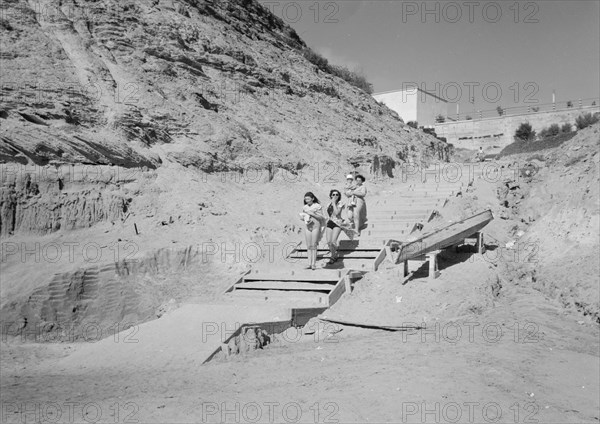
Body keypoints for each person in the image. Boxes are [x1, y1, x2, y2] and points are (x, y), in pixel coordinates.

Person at [324, 189, 356, 264]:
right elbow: (329, 214)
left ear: (339, 196)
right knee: (329, 242)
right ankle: (334, 254)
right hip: (330, 223)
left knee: (333, 241)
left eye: (337, 195)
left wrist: (334, 203)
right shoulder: (328, 204)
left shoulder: (340, 203)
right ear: (331, 196)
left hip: (337, 223)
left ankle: (332, 256)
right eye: (333, 194)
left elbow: (337, 213)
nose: (335, 196)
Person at [299, 192, 325, 270]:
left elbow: (321, 218)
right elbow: (303, 216)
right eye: (305, 199)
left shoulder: (317, 206)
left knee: (314, 245)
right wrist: (302, 217)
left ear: (313, 198)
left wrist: (312, 214)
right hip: (308, 226)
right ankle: (309, 263)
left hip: (316, 226)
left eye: (308, 199)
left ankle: (313, 264)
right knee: (308, 245)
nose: (307, 200)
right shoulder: (305, 207)